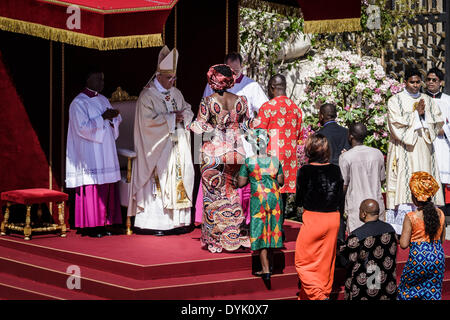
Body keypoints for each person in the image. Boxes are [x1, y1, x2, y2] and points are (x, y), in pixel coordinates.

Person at [195, 52, 269, 226]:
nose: (233, 76)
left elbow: (264, 111)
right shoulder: (239, 100)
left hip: (232, 143)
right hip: (231, 143)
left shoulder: (251, 86)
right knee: (230, 182)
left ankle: (221, 222)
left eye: (236, 71)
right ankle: (233, 222)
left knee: (225, 182)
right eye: (230, 72)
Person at [127, 46, 194, 236]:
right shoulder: (147, 96)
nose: (172, 81)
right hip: (156, 148)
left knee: (183, 175)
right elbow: (147, 123)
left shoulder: (176, 93)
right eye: (169, 78)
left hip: (177, 145)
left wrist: (184, 115)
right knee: (161, 178)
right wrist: (172, 118)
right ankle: (156, 223)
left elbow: (187, 108)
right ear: (158, 76)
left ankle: (178, 222)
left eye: (174, 78)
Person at [189, 64, 251, 253]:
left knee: (212, 195)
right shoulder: (241, 100)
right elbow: (248, 127)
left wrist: (194, 126)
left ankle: (214, 240)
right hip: (236, 153)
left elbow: (200, 127)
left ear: (213, 81)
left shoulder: (208, 102)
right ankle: (234, 234)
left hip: (214, 154)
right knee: (232, 193)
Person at [385, 68, 444, 235]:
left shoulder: (428, 100)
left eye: (418, 82)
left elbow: (437, 121)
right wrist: (416, 115)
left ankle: (427, 221)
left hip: (424, 146)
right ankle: (403, 228)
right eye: (412, 82)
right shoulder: (395, 100)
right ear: (405, 82)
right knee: (406, 180)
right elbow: (395, 123)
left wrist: (424, 116)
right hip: (405, 148)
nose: (416, 85)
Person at [66, 70, 122, 238]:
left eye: (103, 79)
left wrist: (113, 118)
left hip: (106, 150)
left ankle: (105, 223)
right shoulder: (78, 103)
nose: (102, 82)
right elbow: (82, 128)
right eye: (98, 79)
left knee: (106, 184)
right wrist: (103, 117)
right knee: (93, 185)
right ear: (88, 79)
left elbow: (114, 123)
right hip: (89, 152)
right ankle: (90, 226)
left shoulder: (104, 99)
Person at [294, 133, 344, 300]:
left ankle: (318, 296)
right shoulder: (336, 169)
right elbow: (339, 195)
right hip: (333, 218)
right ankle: (319, 293)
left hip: (314, 218)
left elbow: (299, 199)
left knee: (302, 261)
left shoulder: (305, 171)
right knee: (325, 262)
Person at [252, 74, 302, 220]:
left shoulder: (267, 108)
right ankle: (280, 227)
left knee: (268, 196)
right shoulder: (296, 109)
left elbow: (258, 137)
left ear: (272, 87)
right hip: (289, 160)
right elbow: (298, 137)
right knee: (283, 196)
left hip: (270, 159)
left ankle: (271, 230)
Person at [238, 129, 284, 280]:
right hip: (274, 199)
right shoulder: (275, 160)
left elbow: (241, 183)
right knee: (271, 229)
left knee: (260, 230)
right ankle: (269, 265)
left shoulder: (249, 161)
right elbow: (281, 182)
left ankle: (265, 270)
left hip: (259, 199)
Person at [398, 171, 446, 300]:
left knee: (407, 292)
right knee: (433, 292)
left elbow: (403, 244)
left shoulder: (411, 217)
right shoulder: (440, 213)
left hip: (418, 257)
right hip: (437, 256)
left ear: (415, 196)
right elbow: (441, 240)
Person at [339, 199, 398, 300]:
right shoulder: (391, 230)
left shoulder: (357, 237)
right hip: (387, 285)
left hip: (365, 288)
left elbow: (346, 259)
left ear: (363, 213)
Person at [339, 123, 386, 233]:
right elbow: (382, 179)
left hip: (357, 208)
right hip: (376, 205)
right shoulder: (377, 153)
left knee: (358, 241)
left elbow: (344, 185)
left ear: (350, 136)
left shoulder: (346, 157)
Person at [425, 67, 450, 216]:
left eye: (434, 80)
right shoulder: (420, 98)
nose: (430, 82)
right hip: (426, 144)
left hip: (443, 146)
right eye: (428, 79)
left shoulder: (448, 100)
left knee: (442, 178)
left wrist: (444, 130)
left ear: (441, 82)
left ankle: (443, 214)